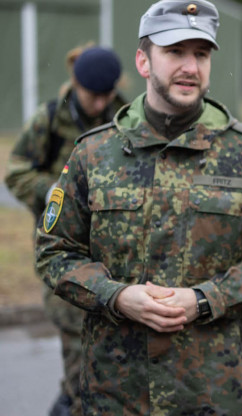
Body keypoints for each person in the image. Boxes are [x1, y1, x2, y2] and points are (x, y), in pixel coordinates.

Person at [36, 0, 242, 414]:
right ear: (144, 62)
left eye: (200, 54)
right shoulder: (95, 152)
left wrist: (204, 298)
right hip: (116, 392)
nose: (190, 67)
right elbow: (54, 252)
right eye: (175, 51)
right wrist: (116, 296)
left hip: (212, 391)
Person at [5, 44, 125, 416]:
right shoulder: (50, 120)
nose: (99, 103)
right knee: (79, 354)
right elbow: (16, 171)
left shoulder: (125, 116)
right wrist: (56, 191)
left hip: (114, 258)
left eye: (106, 95)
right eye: (92, 96)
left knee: (109, 358)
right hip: (65, 252)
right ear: (76, 84)